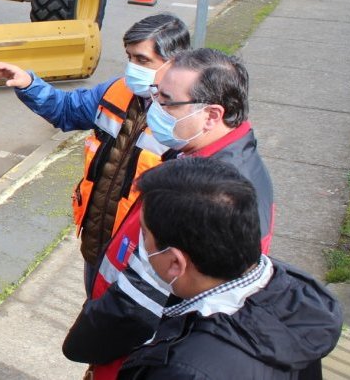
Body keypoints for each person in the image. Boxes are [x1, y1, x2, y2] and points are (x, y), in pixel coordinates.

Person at [62, 48, 276, 380]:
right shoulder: (214, 159)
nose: (154, 111)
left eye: (168, 102)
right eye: (156, 97)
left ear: (211, 115)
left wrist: (85, 344)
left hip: (133, 354)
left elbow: (139, 302)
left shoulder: (209, 192)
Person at [0, 13, 190, 290]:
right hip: (98, 245)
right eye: (129, 57)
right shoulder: (116, 91)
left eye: (142, 60)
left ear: (175, 63)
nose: (132, 67)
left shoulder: (189, 121)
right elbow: (67, 110)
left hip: (142, 265)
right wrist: (28, 84)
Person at [119, 157, 341, 378]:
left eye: (145, 233)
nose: (141, 242)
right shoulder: (292, 294)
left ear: (176, 263)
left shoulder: (183, 371)